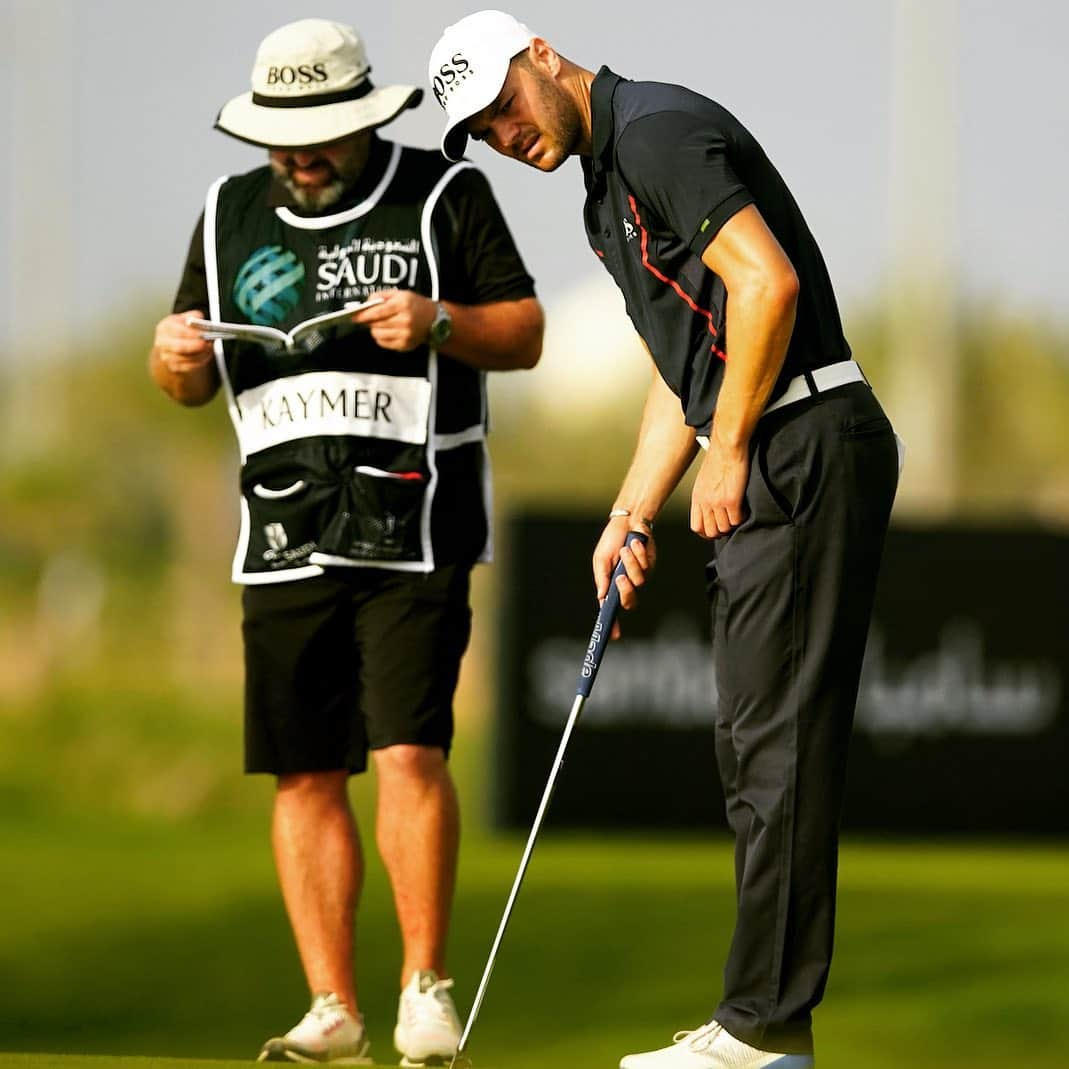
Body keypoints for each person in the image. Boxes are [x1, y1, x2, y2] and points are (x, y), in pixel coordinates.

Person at [428, 11, 900, 1069]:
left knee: (776, 746)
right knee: (747, 740)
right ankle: (760, 1022)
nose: (507, 134)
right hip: (772, 434)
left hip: (802, 434)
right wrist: (631, 508)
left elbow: (765, 284)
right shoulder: (607, 186)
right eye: (485, 134)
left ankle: (763, 1030)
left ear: (543, 57)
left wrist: (728, 444)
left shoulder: (650, 133)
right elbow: (680, 359)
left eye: (505, 105)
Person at [150, 18, 543, 1066]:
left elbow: (527, 331)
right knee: (303, 768)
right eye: (283, 135)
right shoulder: (226, 214)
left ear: (367, 115)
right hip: (280, 527)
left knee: (409, 747)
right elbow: (185, 382)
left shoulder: (443, 195)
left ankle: (424, 987)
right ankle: (332, 1008)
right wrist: (174, 355)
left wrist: (442, 324)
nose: (299, 153)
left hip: (416, 521)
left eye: (321, 130)